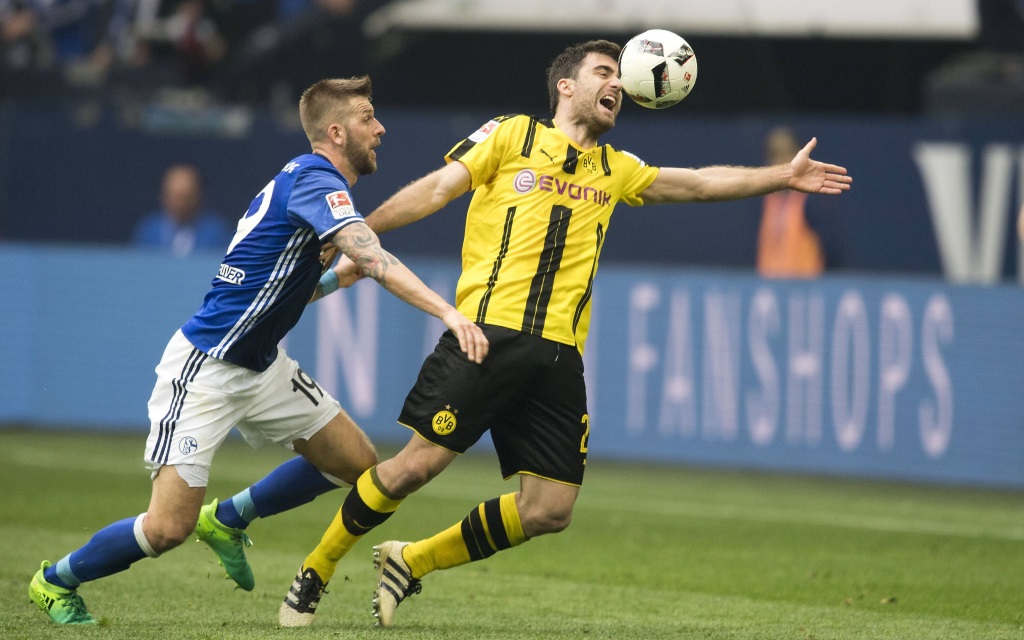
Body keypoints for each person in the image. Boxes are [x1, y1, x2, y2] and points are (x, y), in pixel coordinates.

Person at [269, 39, 851, 628]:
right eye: (604, 73)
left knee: (550, 508)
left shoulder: (617, 170)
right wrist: (356, 229)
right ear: (566, 87)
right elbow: (439, 189)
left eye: (620, 82)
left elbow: (699, 184)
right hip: (487, 335)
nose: (616, 86)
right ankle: (315, 570)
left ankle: (410, 561)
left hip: (558, 357)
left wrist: (782, 176)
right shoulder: (512, 135)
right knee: (413, 469)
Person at [27, 75, 488, 625]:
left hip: (263, 365)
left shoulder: (309, 184)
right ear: (337, 132)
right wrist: (448, 312)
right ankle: (54, 581)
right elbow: (372, 257)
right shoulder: (315, 180)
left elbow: (296, 274)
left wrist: (328, 282)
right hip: (208, 367)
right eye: (369, 116)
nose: (381, 127)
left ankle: (229, 519)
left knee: (357, 464)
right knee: (168, 527)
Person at [756, 126, 847, 276]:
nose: (781, 161)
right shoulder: (767, 200)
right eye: (775, 154)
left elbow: (833, 251)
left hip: (805, 291)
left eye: (788, 153)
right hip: (771, 292)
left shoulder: (812, 201)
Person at [132, 164, 234, 256]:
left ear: (197, 196)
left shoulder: (216, 232)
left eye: (184, 196)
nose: (178, 203)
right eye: (172, 196)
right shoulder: (149, 230)